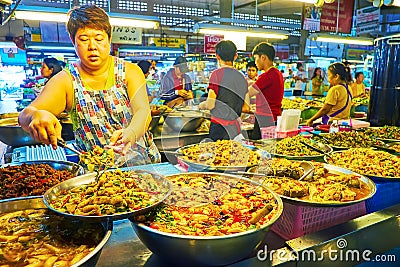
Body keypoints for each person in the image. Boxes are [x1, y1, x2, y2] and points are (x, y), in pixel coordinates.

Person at [18, 5, 160, 164]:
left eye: (99, 38)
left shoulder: (130, 72)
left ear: (109, 38)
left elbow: (143, 111)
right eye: (84, 39)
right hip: (95, 174)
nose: (92, 46)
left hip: (142, 166)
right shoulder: (66, 80)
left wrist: (132, 133)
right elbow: (24, 116)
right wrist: (36, 116)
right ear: (73, 41)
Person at [198, 40, 249, 141]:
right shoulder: (242, 77)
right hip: (235, 128)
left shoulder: (216, 74)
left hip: (219, 128)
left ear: (217, 56)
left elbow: (210, 105)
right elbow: (246, 108)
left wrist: (201, 105)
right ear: (235, 56)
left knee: (219, 154)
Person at [248, 42, 284, 139]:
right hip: (273, 117)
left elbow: (248, 93)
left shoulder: (267, 75)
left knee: (259, 149)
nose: (255, 62)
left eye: (256, 58)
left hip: (264, 119)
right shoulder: (277, 73)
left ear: (263, 57)